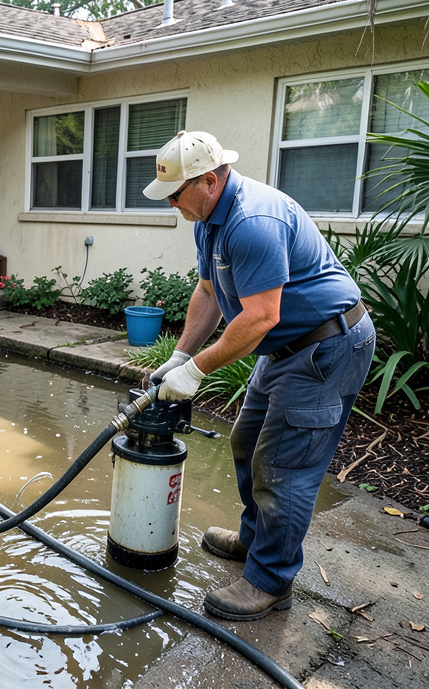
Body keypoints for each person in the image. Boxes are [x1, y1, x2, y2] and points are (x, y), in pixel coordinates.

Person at [142, 130, 375, 621]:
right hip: (285, 349)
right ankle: (254, 541)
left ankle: (271, 581)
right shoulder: (207, 218)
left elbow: (261, 316)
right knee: (247, 441)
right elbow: (208, 293)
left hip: (326, 345)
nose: (173, 206)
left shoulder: (252, 221)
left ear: (208, 180)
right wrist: (180, 358)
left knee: (283, 465)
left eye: (176, 195)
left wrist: (199, 371)